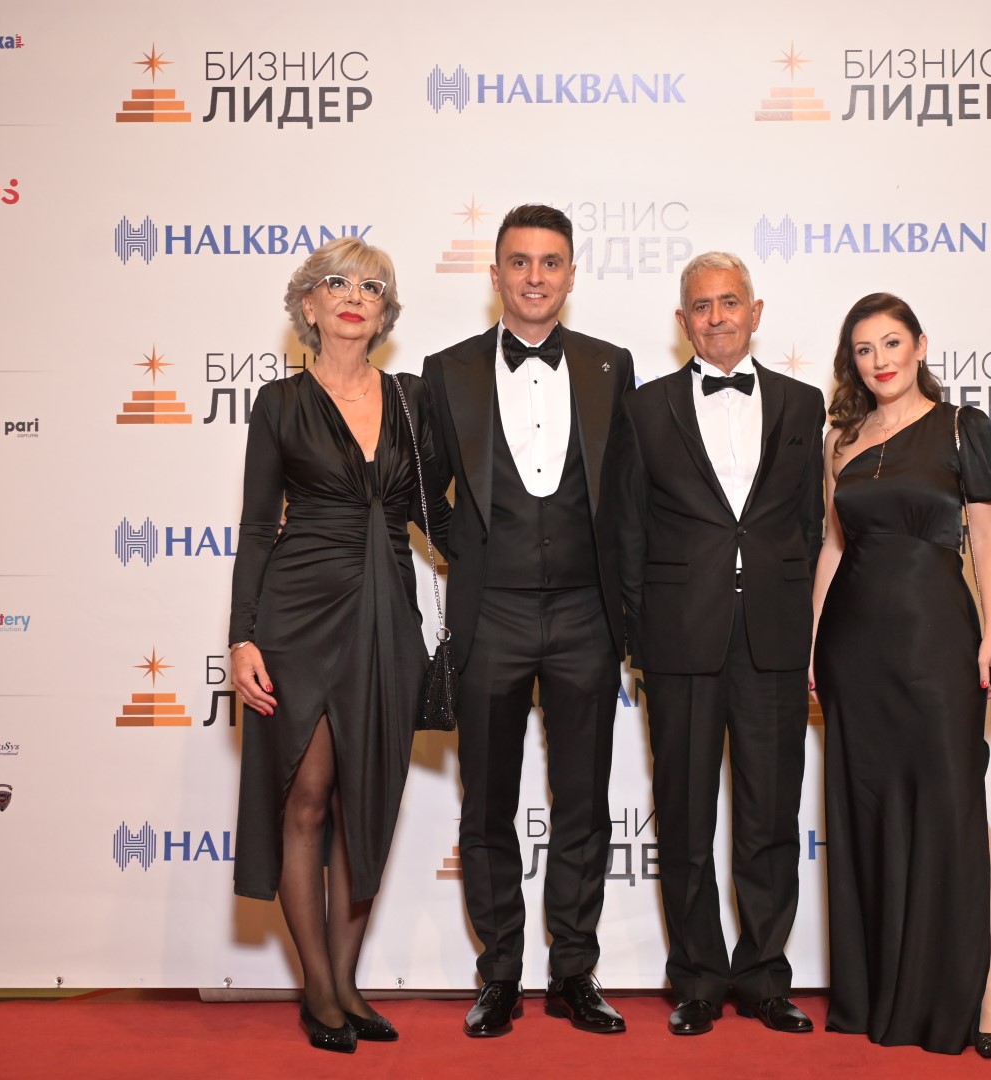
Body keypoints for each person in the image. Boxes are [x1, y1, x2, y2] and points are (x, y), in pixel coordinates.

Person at [227, 237, 450, 1053]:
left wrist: (515, 566)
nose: (354, 296)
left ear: (385, 312)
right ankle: (318, 989)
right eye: (337, 283)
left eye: (372, 287)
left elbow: (438, 514)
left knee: (367, 805)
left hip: (387, 615)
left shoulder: (413, 399)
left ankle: (347, 983)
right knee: (308, 798)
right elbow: (258, 527)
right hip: (297, 615)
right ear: (309, 305)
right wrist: (241, 636)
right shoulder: (279, 404)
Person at [421, 204, 635, 1038]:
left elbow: (627, 497)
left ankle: (574, 971)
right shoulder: (446, 371)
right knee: (486, 805)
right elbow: (421, 490)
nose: (534, 277)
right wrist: (468, 553)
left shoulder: (612, 366)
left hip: (587, 613)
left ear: (571, 274)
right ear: (495, 275)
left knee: (583, 803)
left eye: (550, 262)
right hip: (492, 614)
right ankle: (500, 973)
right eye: (519, 261)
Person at [604, 252, 824, 1037]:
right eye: (701, 306)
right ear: (681, 321)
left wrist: (798, 618)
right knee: (687, 818)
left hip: (773, 637)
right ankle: (696, 978)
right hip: (678, 639)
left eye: (730, 302)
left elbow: (807, 524)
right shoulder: (644, 408)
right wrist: (642, 633)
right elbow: (627, 528)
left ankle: (764, 977)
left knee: (770, 818)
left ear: (755, 313)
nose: (717, 317)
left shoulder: (802, 404)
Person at [809, 293, 991, 1057]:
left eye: (892, 343)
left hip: (936, 640)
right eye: (864, 349)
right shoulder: (839, 440)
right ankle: (888, 989)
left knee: (957, 805)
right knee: (873, 813)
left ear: (920, 345)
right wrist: (812, 644)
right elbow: (834, 546)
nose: (880, 360)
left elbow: (987, 537)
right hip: (854, 648)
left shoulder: (962, 426)